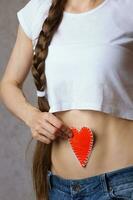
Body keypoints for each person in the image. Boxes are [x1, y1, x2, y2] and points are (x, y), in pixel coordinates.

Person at [1, 0, 133, 199]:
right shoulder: (38, 10)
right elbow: (9, 84)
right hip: (62, 190)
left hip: (124, 184)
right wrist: (32, 117)